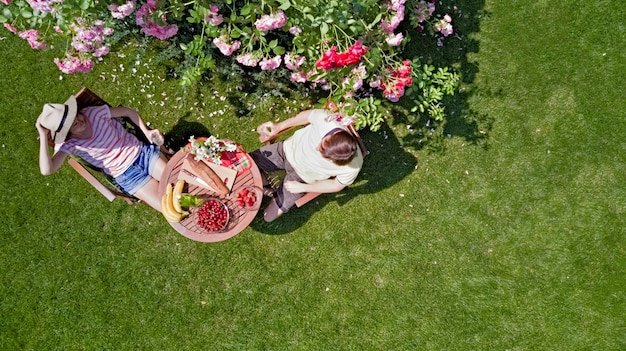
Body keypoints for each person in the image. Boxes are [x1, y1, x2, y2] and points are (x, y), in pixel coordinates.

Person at [35, 95, 168, 211]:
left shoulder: (92, 114)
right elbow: (47, 170)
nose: (81, 121)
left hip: (141, 153)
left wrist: (146, 132)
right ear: (67, 133)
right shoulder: (68, 144)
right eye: (74, 124)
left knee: (178, 179)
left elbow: (127, 111)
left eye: (77, 116)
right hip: (126, 175)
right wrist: (42, 135)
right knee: (169, 207)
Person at [251, 109, 364, 222]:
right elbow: (306, 116)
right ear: (331, 135)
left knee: (268, 217)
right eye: (322, 144)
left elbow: (336, 185)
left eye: (323, 154)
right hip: (286, 150)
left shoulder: (353, 167)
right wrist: (279, 127)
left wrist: (304, 188)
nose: (316, 148)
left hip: (301, 178)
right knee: (245, 165)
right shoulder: (326, 120)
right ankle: (267, 187)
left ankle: (267, 186)